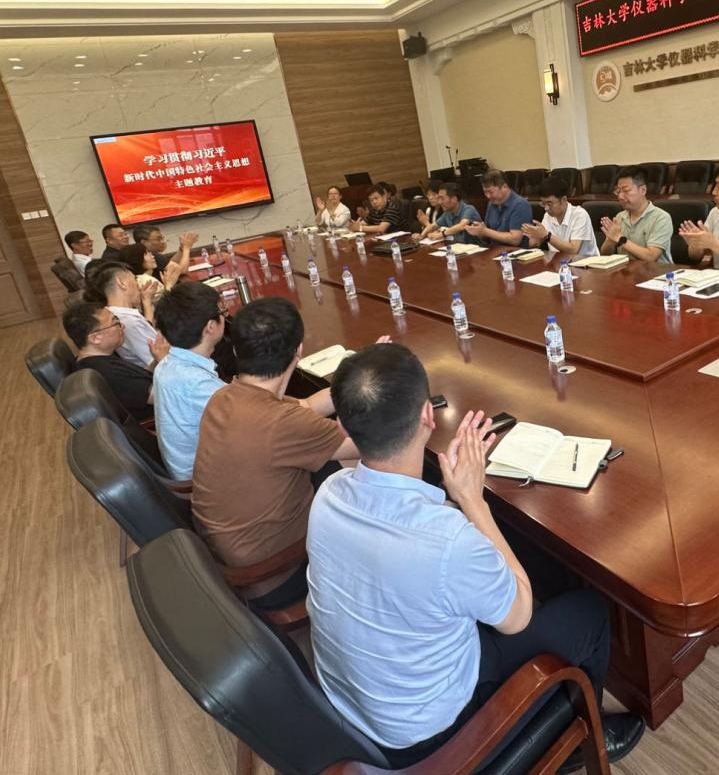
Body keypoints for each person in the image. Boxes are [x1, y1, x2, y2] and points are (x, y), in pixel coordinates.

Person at [306, 343, 644, 769]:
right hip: (433, 736)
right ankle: (581, 739)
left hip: (352, 711)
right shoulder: (448, 542)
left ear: (344, 425)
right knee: (589, 610)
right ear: (428, 416)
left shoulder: (329, 494)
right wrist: (471, 499)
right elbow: (518, 615)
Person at [190, 298, 361, 609]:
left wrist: (359, 376)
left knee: (331, 464)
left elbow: (306, 406)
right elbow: (370, 444)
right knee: (366, 472)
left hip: (226, 555)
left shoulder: (225, 396)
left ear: (238, 350)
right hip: (273, 573)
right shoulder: (283, 423)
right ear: (299, 351)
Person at [152, 282, 228, 482]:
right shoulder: (196, 383)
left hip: (191, 464)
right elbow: (256, 417)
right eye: (222, 313)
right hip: (205, 479)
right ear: (210, 327)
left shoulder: (166, 362)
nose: (225, 317)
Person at [61, 299, 165, 421]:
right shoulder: (108, 373)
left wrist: (156, 359)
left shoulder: (95, 360)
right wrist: (165, 361)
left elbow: (136, 380)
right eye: (116, 323)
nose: (123, 326)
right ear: (95, 338)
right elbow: (164, 397)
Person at [85, 260, 176, 368]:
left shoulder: (115, 313)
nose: (138, 286)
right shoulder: (128, 322)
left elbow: (148, 329)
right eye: (134, 280)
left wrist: (146, 300)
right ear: (121, 283)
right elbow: (161, 360)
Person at [599, 165, 673, 263]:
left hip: (656, 271)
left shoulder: (661, 217)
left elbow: (651, 257)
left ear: (643, 190)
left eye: (626, 191)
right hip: (626, 270)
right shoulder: (619, 217)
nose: (620, 196)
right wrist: (610, 240)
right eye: (618, 191)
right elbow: (605, 255)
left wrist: (620, 238)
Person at [521, 175, 599, 258]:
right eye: (543, 203)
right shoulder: (547, 216)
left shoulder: (580, 215)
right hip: (559, 262)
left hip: (587, 263)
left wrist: (547, 236)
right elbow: (536, 243)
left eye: (549, 203)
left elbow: (573, 250)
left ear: (564, 200)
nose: (546, 208)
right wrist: (532, 238)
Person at [468, 170, 531, 247]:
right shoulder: (492, 203)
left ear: (505, 187)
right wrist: (479, 231)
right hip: (493, 249)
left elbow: (515, 240)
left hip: (514, 251)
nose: (488, 196)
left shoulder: (520, 205)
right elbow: (487, 234)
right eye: (485, 192)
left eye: (491, 192)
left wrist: (485, 231)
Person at [351, 185, 416, 235]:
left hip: (402, 239)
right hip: (385, 239)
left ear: (384, 197)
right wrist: (355, 225)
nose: (374, 202)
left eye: (376, 198)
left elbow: (381, 229)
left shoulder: (392, 208)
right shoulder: (373, 211)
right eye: (371, 200)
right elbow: (363, 223)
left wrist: (360, 228)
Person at [132, 225, 198, 274]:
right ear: (144, 242)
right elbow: (182, 270)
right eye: (158, 239)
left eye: (162, 238)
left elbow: (169, 264)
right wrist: (187, 248)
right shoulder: (148, 257)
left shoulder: (146, 253)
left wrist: (182, 248)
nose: (163, 242)